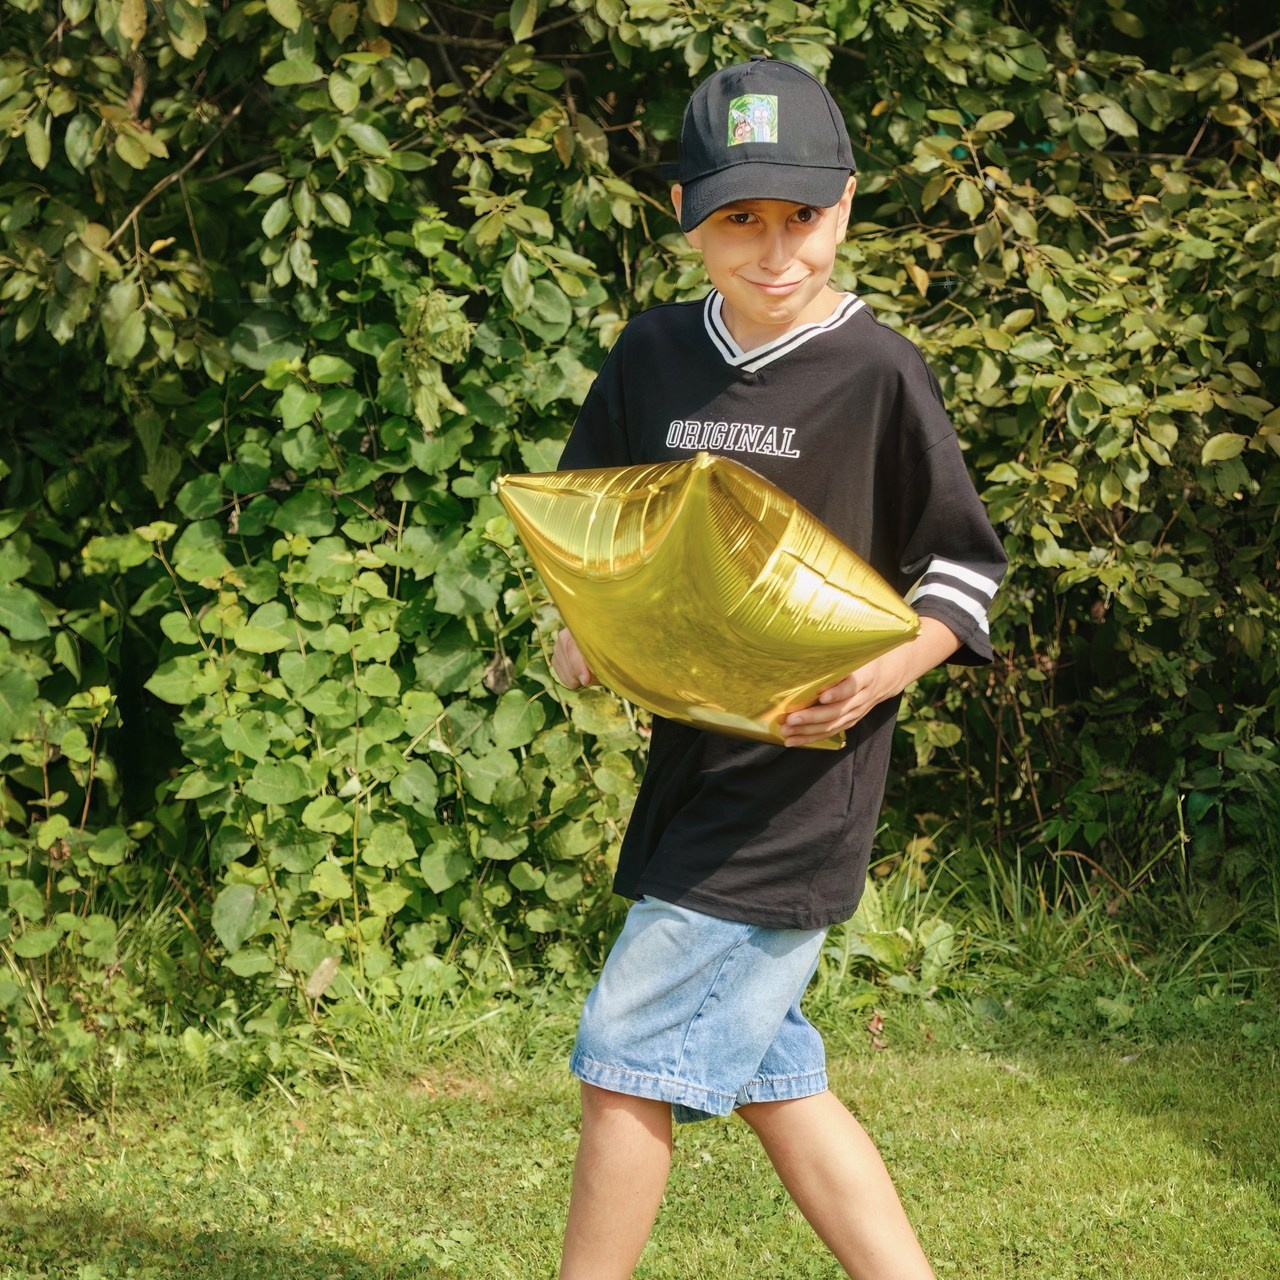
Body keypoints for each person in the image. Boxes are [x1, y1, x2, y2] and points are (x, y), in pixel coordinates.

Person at [548, 56, 1007, 1280]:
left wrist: (884, 670)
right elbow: (597, 525)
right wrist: (588, 625)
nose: (774, 251)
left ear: (844, 205)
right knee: (771, 1076)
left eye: (800, 217)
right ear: (687, 216)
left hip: (803, 778)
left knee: (623, 1050)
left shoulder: (875, 372)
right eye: (738, 219)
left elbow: (961, 573)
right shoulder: (652, 358)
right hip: (691, 758)